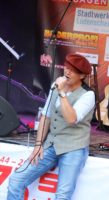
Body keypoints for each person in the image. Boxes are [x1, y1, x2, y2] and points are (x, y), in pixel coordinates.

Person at [7, 53, 95, 199]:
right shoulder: (56, 85)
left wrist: (62, 92)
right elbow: (46, 116)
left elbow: (71, 118)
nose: (67, 72)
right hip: (51, 144)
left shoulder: (88, 95)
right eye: (66, 68)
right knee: (16, 179)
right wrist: (38, 144)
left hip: (74, 148)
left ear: (82, 76)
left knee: (62, 195)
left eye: (72, 70)